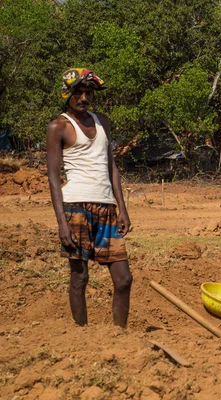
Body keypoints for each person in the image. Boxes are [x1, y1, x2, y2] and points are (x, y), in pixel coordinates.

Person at [46, 68, 133, 327]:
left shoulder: (102, 121)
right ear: (67, 95)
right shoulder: (58, 126)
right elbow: (53, 177)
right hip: (76, 208)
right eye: (78, 93)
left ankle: (120, 335)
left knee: (124, 279)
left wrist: (122, 209)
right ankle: (82, 337)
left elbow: (111, 168)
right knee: (80, 278)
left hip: (106, 208)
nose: (83, 98)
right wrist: (61, 222)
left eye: (88, 93)